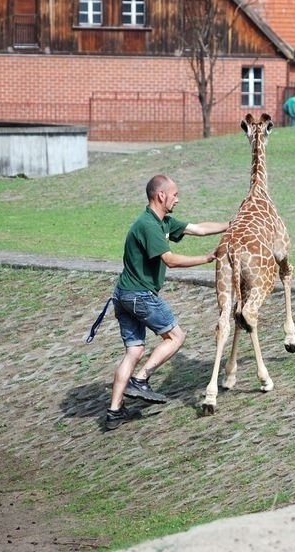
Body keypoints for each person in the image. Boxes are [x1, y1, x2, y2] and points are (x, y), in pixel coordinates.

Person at [105, 175, 229, 430]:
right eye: (174, 194)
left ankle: (114, 411)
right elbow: (170, 260)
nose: (177, 199)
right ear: (160, 195)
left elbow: (199, 229)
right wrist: (206, 258)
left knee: (134, 351)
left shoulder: (164, 222)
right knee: (175, 337)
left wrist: (232, 224)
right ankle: (140, 379)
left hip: (123, 295)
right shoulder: (148, 226)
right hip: (140, 295)